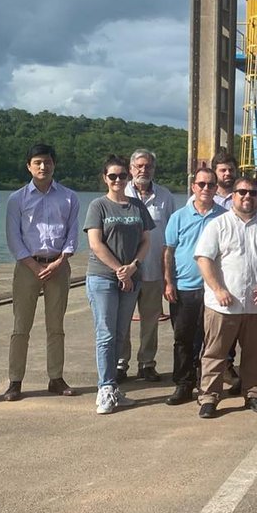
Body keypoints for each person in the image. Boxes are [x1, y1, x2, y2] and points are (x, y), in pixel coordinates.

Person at [194, 175, 257, 417]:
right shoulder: (218, 224)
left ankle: (253, 394)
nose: (247, 196)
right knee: (215, 353)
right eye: (242, 192)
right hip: (222, 305)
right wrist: (218, 289)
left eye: (252, 193)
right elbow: (204, 259)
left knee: (255, 355)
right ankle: (209, 397)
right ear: (233, 195)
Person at [2, 143, 79, 401]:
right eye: (37, 162)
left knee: (55, 326)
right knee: (21, 326)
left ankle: (55, 378)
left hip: (58, 265)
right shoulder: (17, 199)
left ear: (54, 164)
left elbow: (72, 234)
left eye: (47, 162)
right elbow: (13, 238)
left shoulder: (69, 197)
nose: (43, 167)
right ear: (29, 166)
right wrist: (33, 265)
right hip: (27, 266)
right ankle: (15, 381)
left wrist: (60, 261)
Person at [83, 155, 153, 414]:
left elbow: (146, 241)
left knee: (120, 334)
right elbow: (95, 243)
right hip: (102, 277)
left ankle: (114, 389)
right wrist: (118, 270)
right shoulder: (98, 206)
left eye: (122, 176)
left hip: (130, 277)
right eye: (112, 176)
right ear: (105, 178)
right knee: (106, 334)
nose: (117, 180)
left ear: (129, 178)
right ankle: (105, 388)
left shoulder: (137, 207)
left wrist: (132, 267)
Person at [162, 168, 226, 405]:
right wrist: (169, 282)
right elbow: (168, 251)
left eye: (210, 185)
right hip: (185, 288)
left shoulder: (224, 217)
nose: (206, 189)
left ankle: (207, 384)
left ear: (216, 187)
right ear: (193, 187)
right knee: (184, 338)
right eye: (201, 184)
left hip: (213, 289)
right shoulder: (179, 216)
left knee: (211, 340)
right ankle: (183, 384)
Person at [119, 148, 176, 383]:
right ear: (131, 168)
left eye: (148, 166)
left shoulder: (165, 197)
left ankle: (147, 363)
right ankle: (121, 363)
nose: (144, 170)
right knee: (121, 320)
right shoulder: (119, 192)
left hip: (153, 269)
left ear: (154, 169)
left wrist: (168, 274)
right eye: (139, 166)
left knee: (151, 320)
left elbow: (172, 236)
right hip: (126, 272)